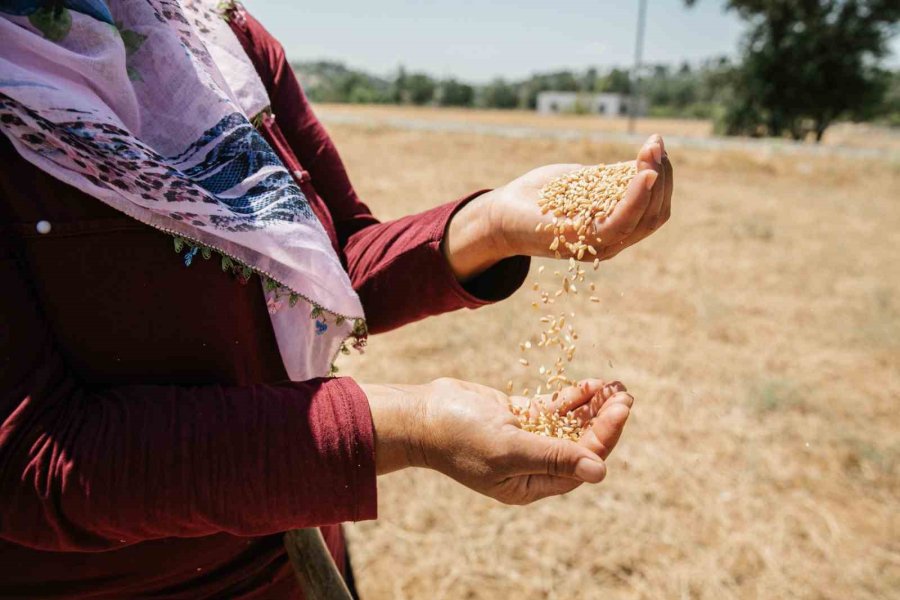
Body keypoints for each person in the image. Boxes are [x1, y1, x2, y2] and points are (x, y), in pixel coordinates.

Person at [0, 0, 673, 598]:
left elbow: (332, 261)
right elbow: (34, 457)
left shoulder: (214, 34)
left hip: (302, 550)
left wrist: (490, 225)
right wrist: (409, 425)